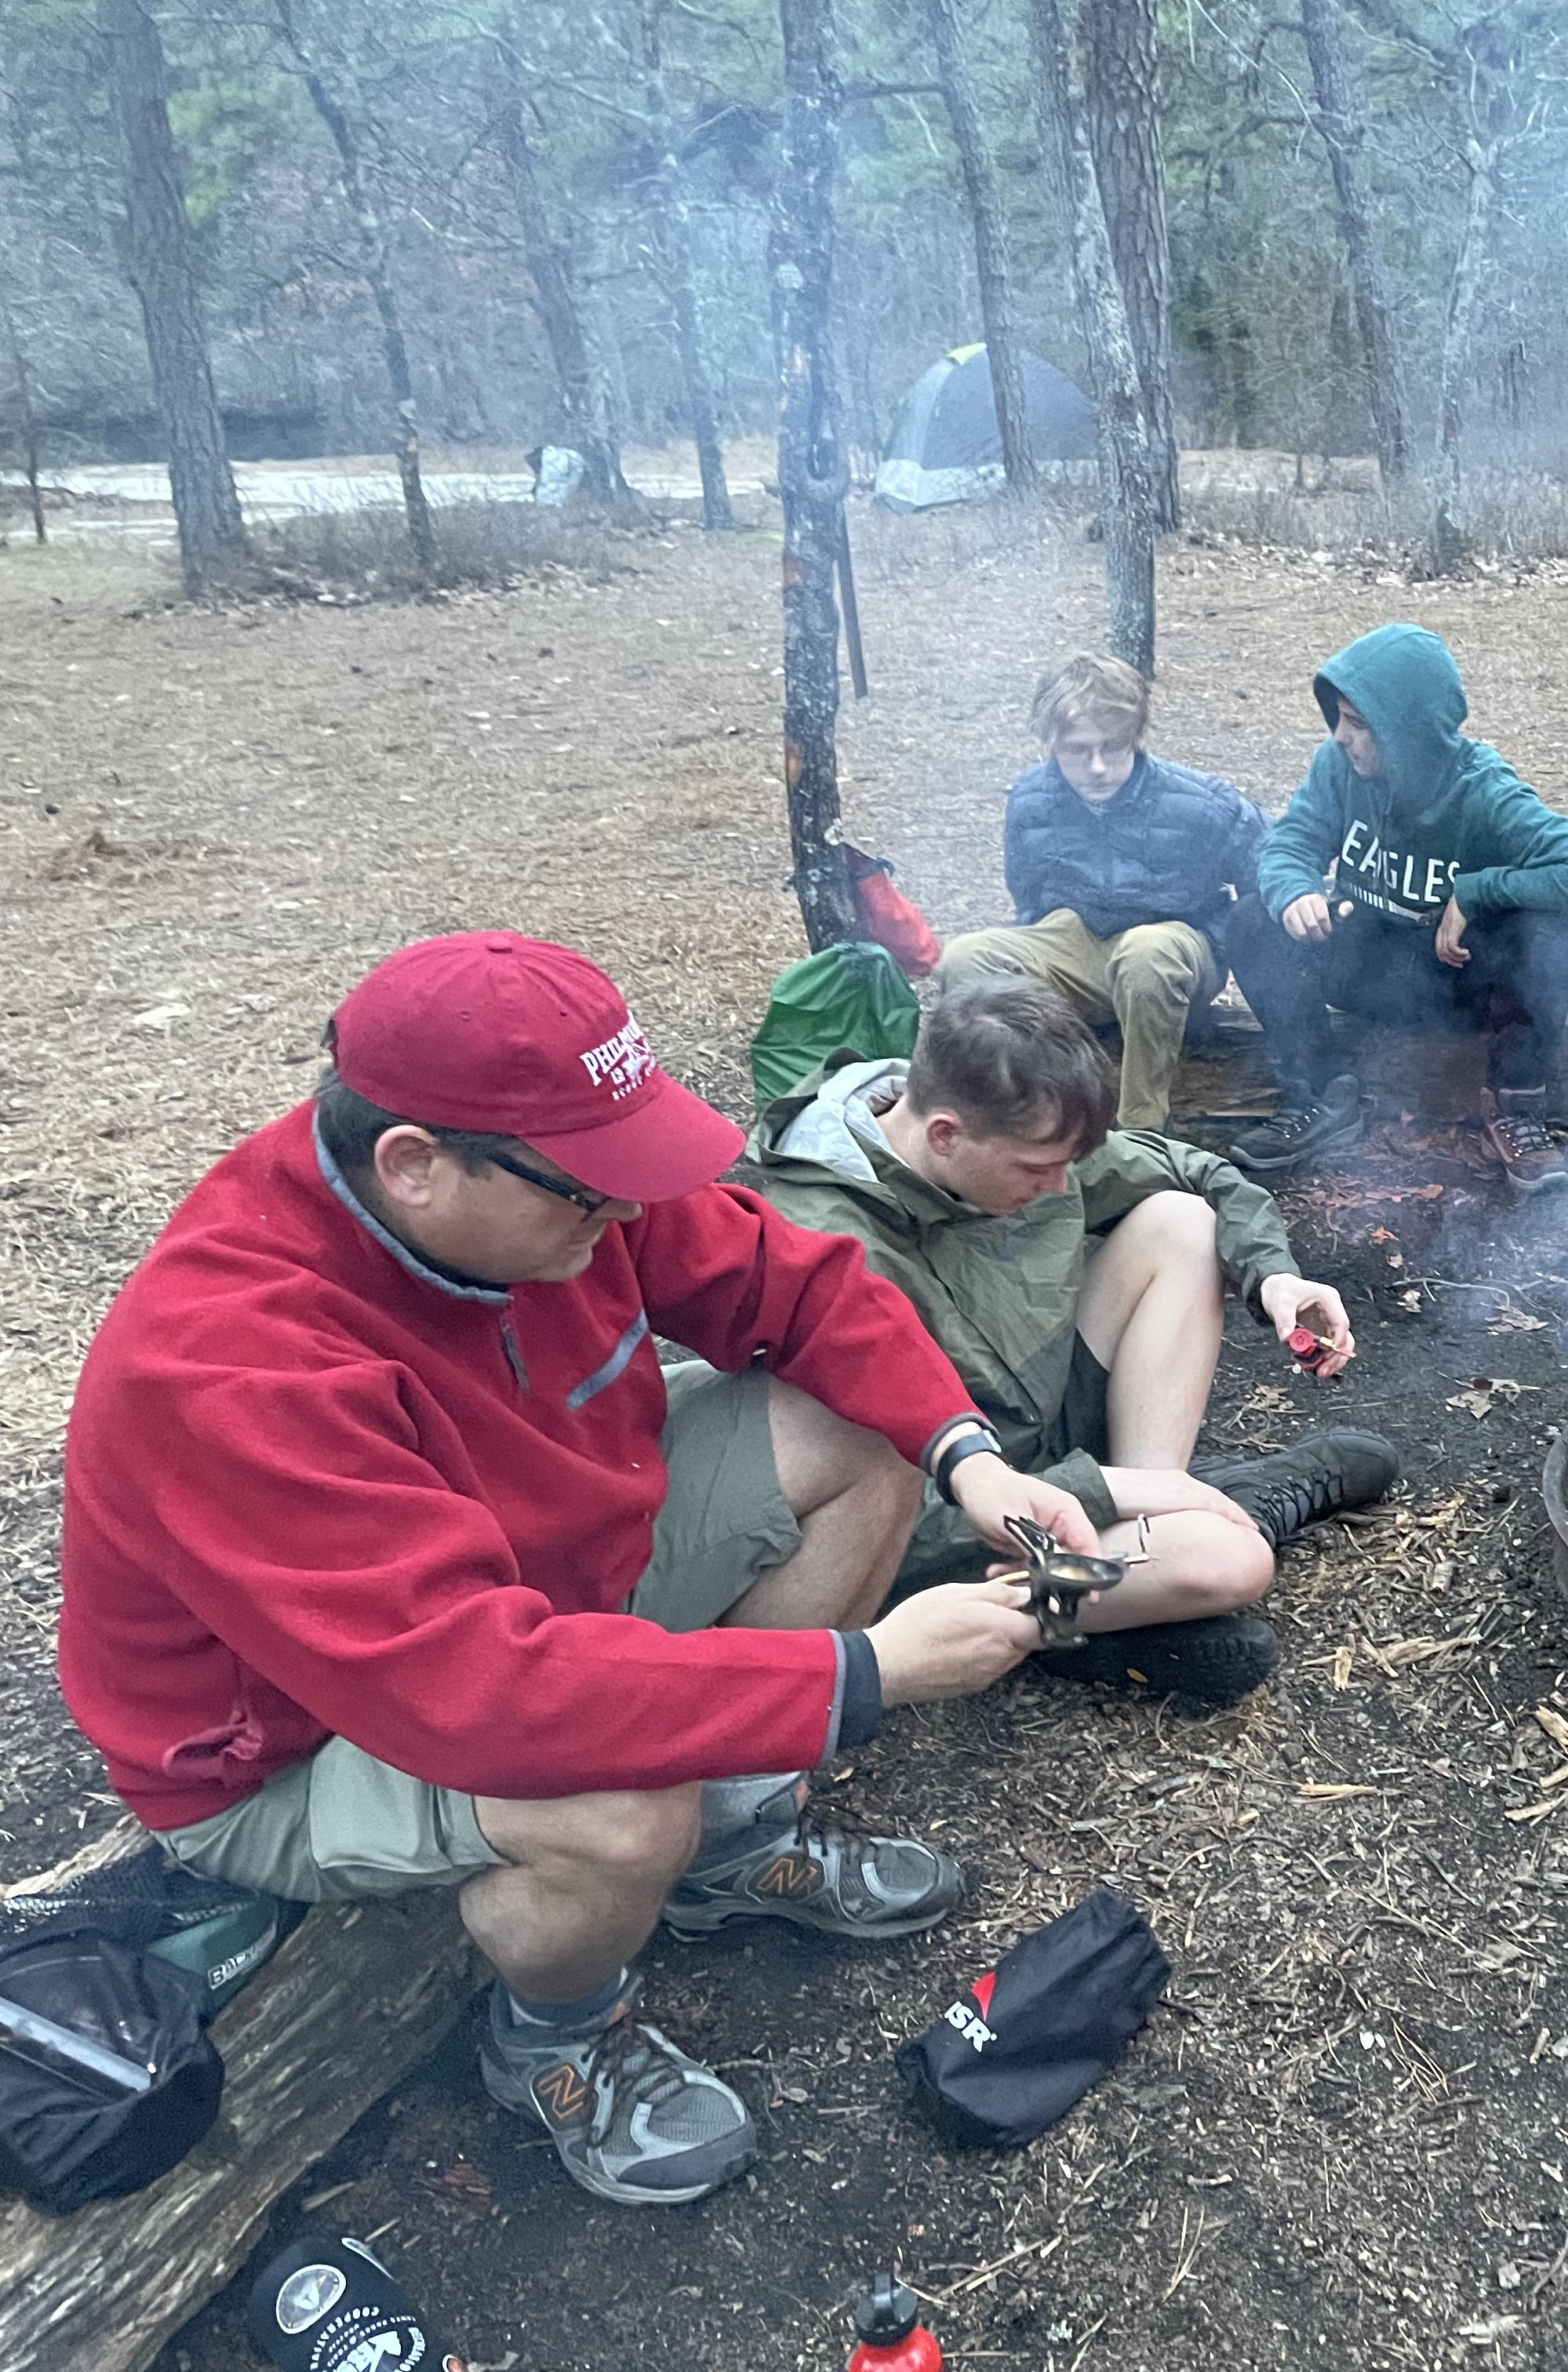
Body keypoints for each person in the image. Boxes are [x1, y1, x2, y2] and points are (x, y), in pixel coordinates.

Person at [57, 933, 1087, 2210]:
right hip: (293, 1741)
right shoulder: (227, 1365)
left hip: (527, 1589)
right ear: (413, 1167)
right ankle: (557, 2038)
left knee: (862, 1435)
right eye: (588, 1196)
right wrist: (861, 1672)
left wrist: (968, 1458)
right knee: (622, 1800)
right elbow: (481, 1693)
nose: (621, 1220)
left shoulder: (537, 1176)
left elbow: (797, 1284)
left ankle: (733, 1846)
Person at [742, 973, 1399, 1706]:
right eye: (1036, 1169)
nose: (1060, 1187)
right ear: (944, 1136)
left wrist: (1272, 1275)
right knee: (1233, 1562)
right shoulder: (823, 1240)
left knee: (1180, 1224)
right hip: (941, 1525)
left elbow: (1197, 1173)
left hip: (1042, 1432)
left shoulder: (1003, 1119)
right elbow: (874, 1500)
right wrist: (1101, 1487)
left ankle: (1157, 1524)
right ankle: (1056, 1617)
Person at [1226, 624, 1568, 1195]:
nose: (1340, 737)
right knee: (1252, 919)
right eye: (1339, 718)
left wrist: (1476, 891)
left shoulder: (1484, 791)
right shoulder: (1339, 768)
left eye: (1359, 725)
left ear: (1408, 734)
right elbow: (1289, 843)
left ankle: (1516, 1108)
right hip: (1369, 963)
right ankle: (1323, 1097)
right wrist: (1296, 889)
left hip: (1457, 976)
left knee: (1548, 934)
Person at [937, 653, 1285, 1135]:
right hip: (1075, 944)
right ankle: (1021, 1119)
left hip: (1172, 949)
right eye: (1079, 750)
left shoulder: (1199, 802)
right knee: (964, 958)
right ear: (1050, 743)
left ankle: (1141, 1133)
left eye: (1114, 747)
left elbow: (1273, 866)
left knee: (1147, 953)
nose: (1098, 767)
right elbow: (1029, 900)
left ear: (1136, 736)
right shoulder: (1031, 801)